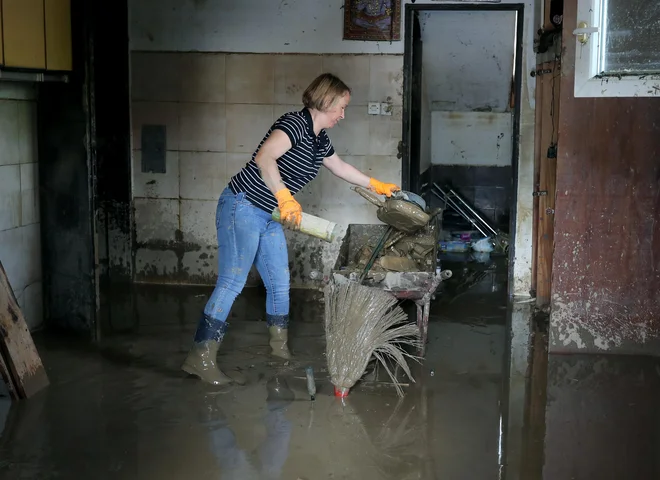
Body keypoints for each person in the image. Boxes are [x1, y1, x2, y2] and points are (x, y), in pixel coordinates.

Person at [181, 73, 401, 385]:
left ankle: (279, 350)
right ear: (325, 102)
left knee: (280, 283)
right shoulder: (294, 124)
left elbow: (339, 167)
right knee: (232, 281)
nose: (343, 114)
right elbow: (264, 157)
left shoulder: (319, 138)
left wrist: (377, 185)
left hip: (270, 213)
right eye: (341, 107)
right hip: (242, 205)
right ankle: (199, 357)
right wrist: (285, 196)